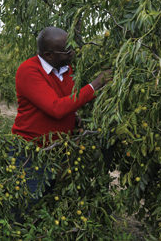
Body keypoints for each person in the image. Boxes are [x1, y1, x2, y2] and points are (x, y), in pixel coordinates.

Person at [11, 26, 111, 203]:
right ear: (49, 55)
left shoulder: (65, 69)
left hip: (56, 151)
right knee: (27, 204)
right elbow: (56, 108)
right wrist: (94, 85)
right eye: (67, 51)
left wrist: (73, 119)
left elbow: (67, 101)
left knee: (48, 201)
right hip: (30, 152)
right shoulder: (29, 71)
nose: (72, 53)